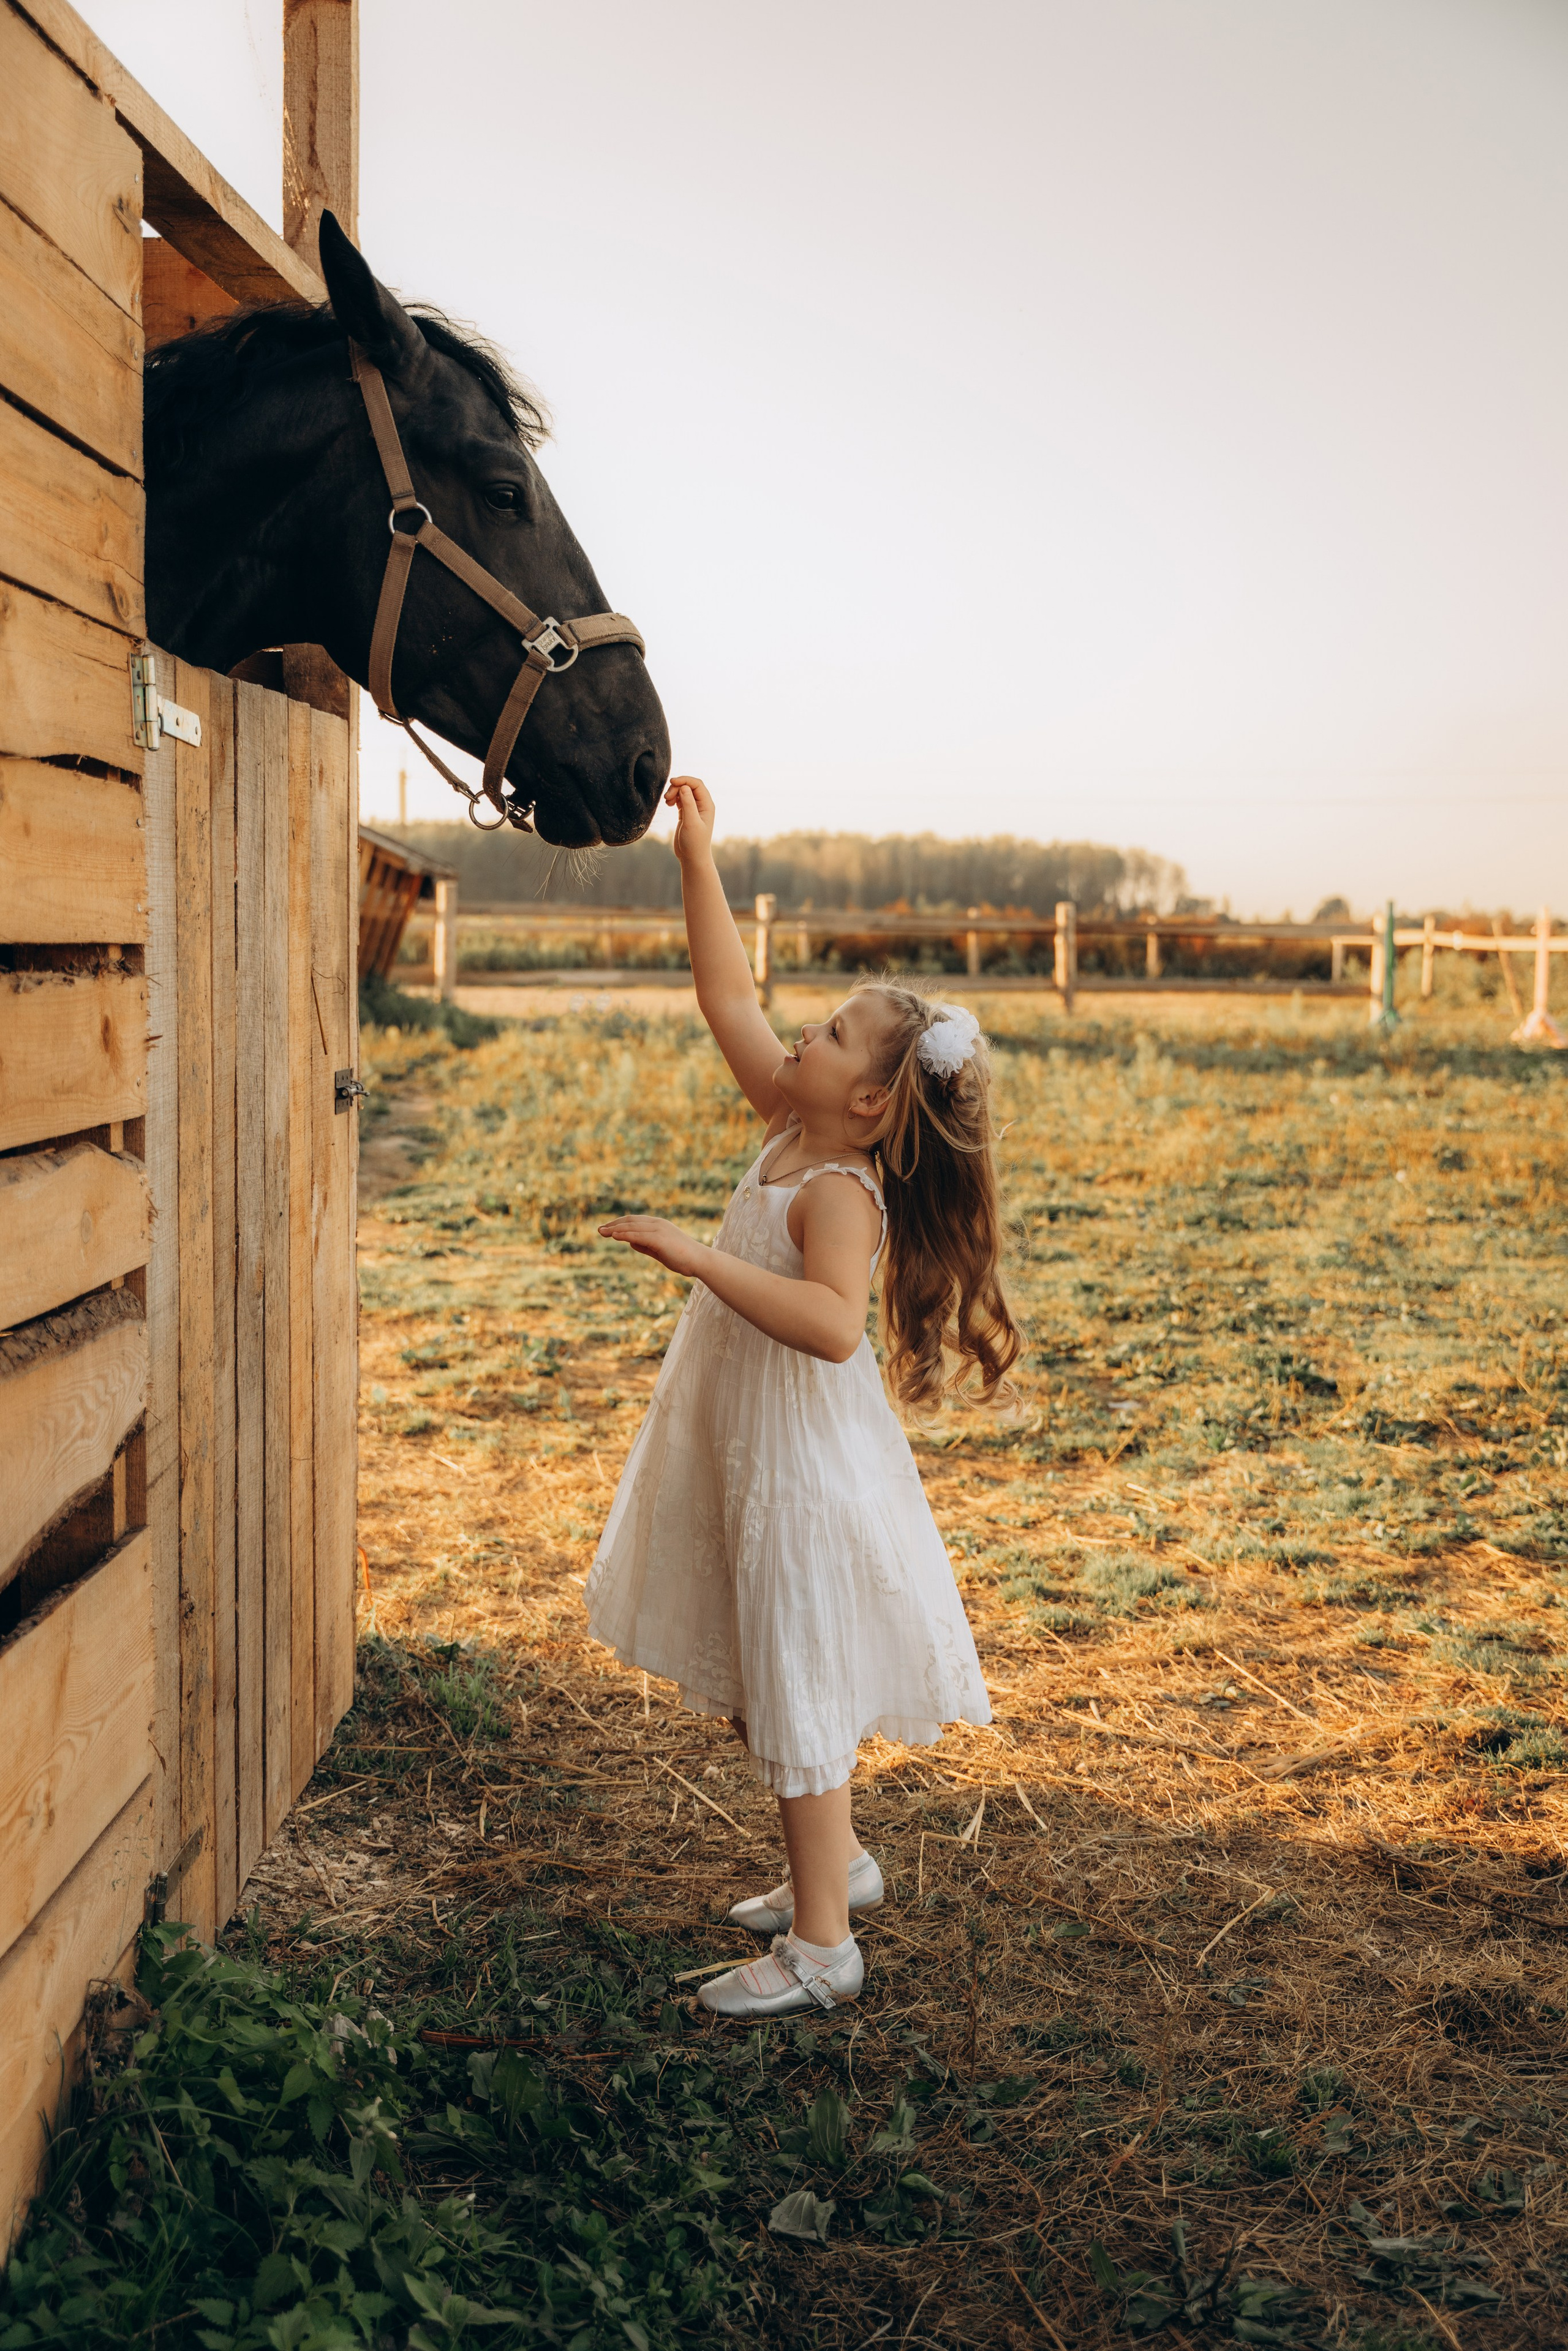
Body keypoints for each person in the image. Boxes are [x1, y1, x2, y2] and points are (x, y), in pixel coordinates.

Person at [585, 777, 1020, 2020]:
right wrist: (696, 856)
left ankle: (824, 1944)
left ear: (870, 1101)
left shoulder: (835, 1188)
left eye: (828, 1034)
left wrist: (697, 1256)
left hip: (801, 1463)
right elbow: (725, 992)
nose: (798, 1038)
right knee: (772, 1676)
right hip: (743, 1443)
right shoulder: (788, 1117)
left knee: (792, 1680)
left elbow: (833, 1326)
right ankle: (832, 1861)